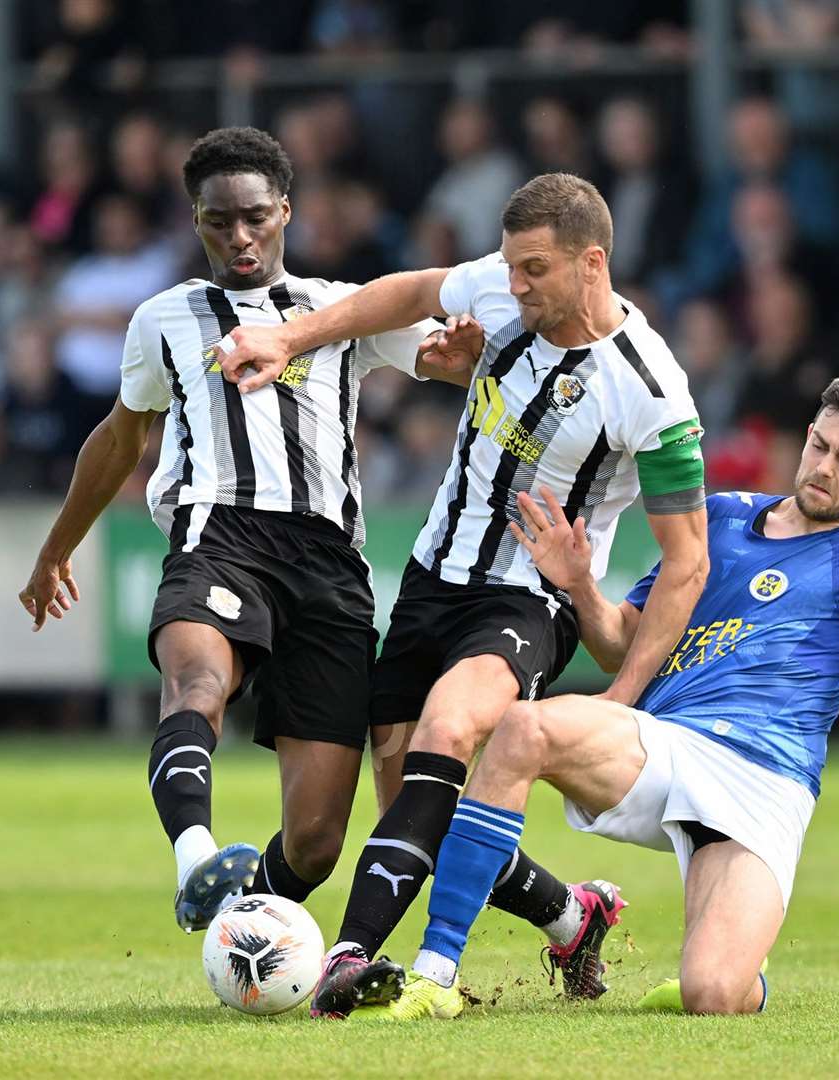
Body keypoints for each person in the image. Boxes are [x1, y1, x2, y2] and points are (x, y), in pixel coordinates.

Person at [219, 172, 711, 1018]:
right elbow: (408, 291)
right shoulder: (502, 289)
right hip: (431, 576)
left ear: (592, 263)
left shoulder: (652, 392)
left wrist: (623, 699)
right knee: (417, 795)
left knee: (447, 732)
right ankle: (571, 914)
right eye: (511, 268)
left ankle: (349, 957)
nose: (513, 286)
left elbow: (689, 561)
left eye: (535, 271)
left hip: (530, 596)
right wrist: (291, 339)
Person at [17, 127, 479, 943]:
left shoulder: (340, 310)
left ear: (285, 213)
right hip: (217, 532)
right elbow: (120, 439)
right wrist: (57, 548)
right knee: (198, 684)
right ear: (195, 222)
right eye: (217, 221)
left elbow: (450, 361)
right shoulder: (164, 319)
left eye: (255, 218)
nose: (239, 237)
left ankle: (241, 921)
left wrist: (478, 352)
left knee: (315, 842)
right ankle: (195, 854)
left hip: (329, 563)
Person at [366, 374, 839, 1021]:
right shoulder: (720, 518)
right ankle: (436, 972)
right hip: (663, 744)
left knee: (712, 994)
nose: (823, 468)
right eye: (820, 446)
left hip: (766, 778)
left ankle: (729, 959)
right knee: (525, 729)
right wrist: (581, 587)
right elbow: (624, 646)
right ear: (808, 437)